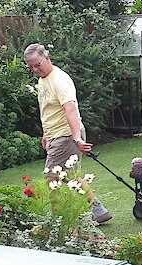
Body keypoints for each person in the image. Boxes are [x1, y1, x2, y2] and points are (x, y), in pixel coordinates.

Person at [24, 43, 112, 224]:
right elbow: (49, 110)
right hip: (56, 135)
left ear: (47, 58)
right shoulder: (43, 79)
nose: (34, 69)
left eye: (37, 65)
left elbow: (70, 109)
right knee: (68, 176)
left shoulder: (59, 80)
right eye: (30, 67)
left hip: (66, 136)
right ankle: (97, 210)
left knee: (52, 177)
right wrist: (46, 133)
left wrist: (76, 138)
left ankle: (58, 219)